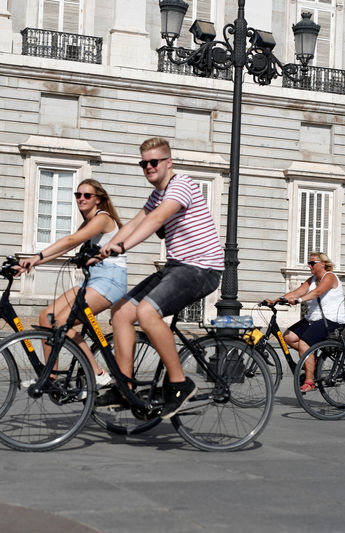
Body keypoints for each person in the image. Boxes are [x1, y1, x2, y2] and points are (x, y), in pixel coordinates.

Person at [98, 137, 224, 419]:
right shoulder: (156, 195)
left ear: (169, 163)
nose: (149, 167)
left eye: (154, 162)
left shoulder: (182, 185)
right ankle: (124, 387)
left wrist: (122, 247)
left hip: (202, 268)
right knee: (120, 312)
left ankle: (179, 383)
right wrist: (100, 252)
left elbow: (156, 220)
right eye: (144, 163)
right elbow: (134, 223)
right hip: (176, 267)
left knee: (146, 312)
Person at [14, 178, 127, 388]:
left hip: (110, 280)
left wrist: (36, 255)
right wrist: (32, 263)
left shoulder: (103, 218)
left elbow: (70, 241)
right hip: (94, 279)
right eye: (78, 195)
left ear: (98, 199)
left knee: (61, 323)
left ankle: (98, 373)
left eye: (87, 195)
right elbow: (66, 249)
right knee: (46, 318)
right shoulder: (87, 223)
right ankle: (51, 378)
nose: (81, 199)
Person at [267, 252, 345, 392]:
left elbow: (317, 292)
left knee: (305, 343)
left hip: (331, 320)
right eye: (309, 263)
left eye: (312, 263)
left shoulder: (330, 276)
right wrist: (275, 301)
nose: (309, 265)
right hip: (314, 319)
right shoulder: (312, 280)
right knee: (289, 336)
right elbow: (296, 292)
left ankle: (310, 381)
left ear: (322, 264)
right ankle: (311, 359)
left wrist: (299, 300)